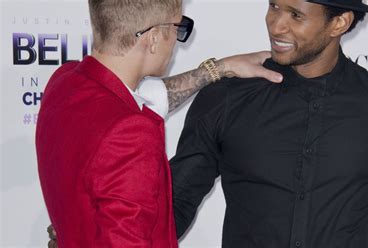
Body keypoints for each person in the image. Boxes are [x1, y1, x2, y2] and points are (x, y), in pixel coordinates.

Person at [170, 0, 368, 247]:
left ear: (339, 23)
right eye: (274, 6)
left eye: (296, 15)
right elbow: (173, 206)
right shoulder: (225, 98)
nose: (276, 25)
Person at [36, 0, 282, 247]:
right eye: (178, 27)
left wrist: (219, 69)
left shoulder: (64, 82)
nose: (177, 38)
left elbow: (140, 100)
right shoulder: (131, 133)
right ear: (152, 38)